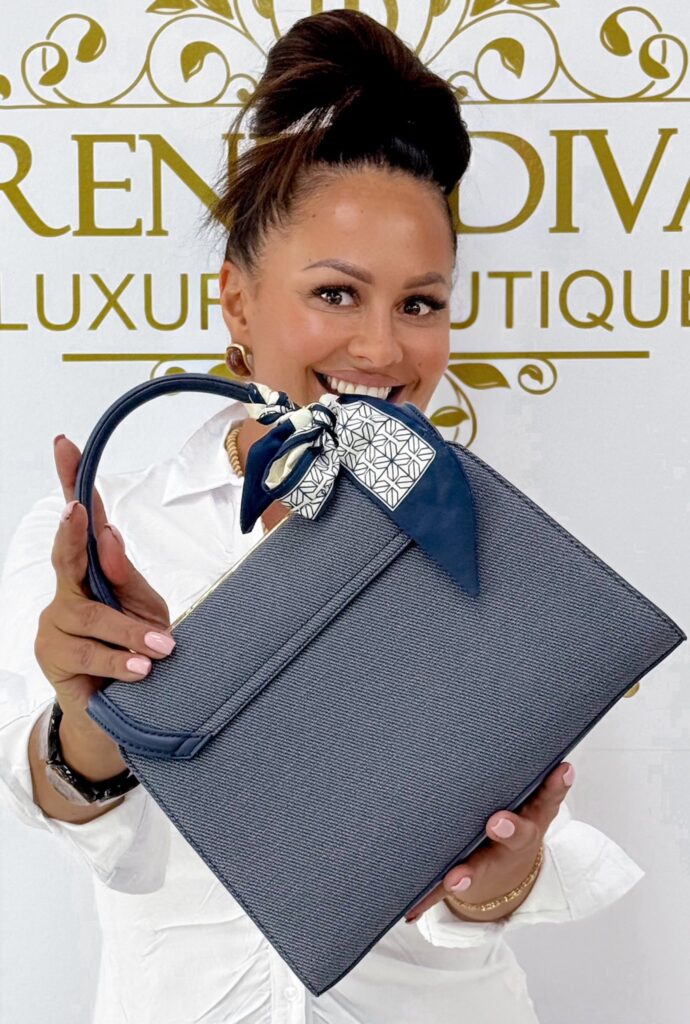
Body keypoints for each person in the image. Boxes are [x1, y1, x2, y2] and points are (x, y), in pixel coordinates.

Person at [0, 10, 646, 1023]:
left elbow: (518, 857)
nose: (383, 350)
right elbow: (58, 810)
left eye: (420, 304)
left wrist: (501, 876)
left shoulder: (484, 537)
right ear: (239, 302)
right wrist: (94, 710)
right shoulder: (102, 529)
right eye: (338, 294)